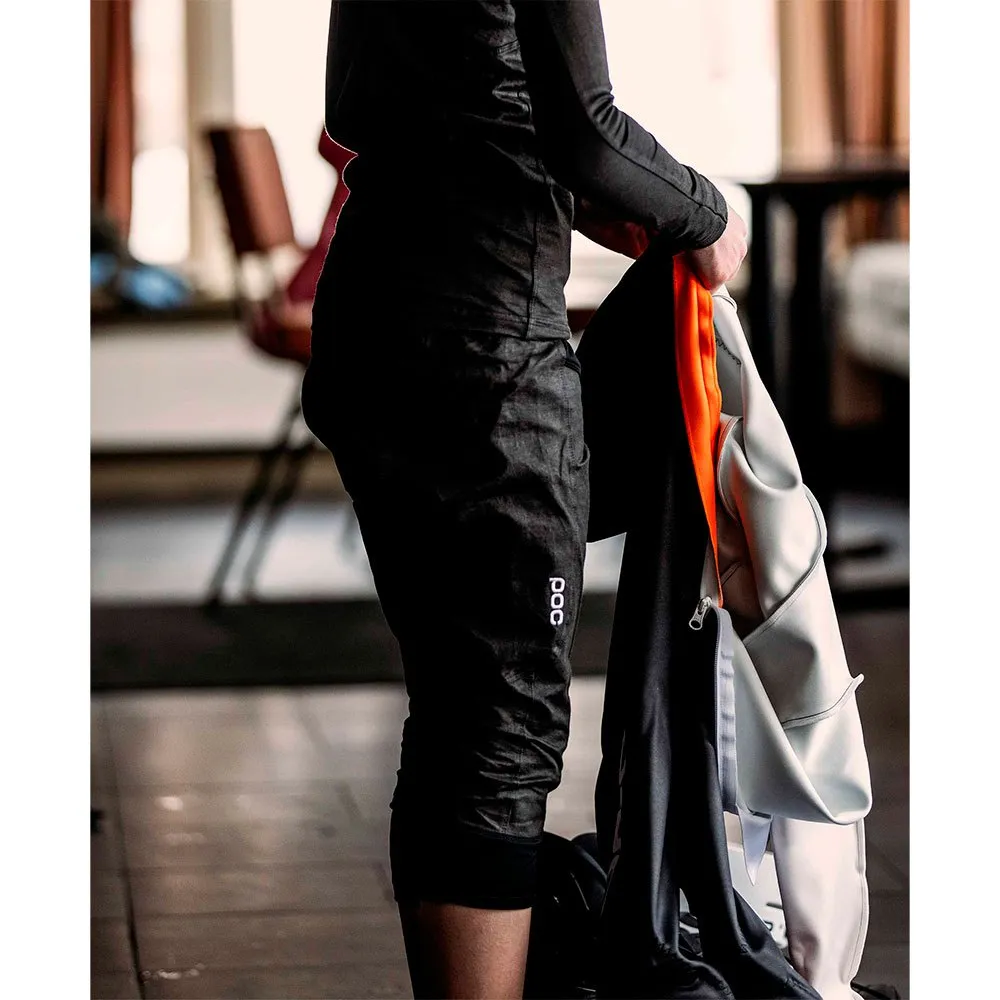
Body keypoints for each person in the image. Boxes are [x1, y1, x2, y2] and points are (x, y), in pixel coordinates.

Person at [300, 3, 747, 997]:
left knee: (456, 705)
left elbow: (376, 104)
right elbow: (587, 129)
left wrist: (579, 193)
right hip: (483, 348)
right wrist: (712, 214)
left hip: (375, 324)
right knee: (502, 722)